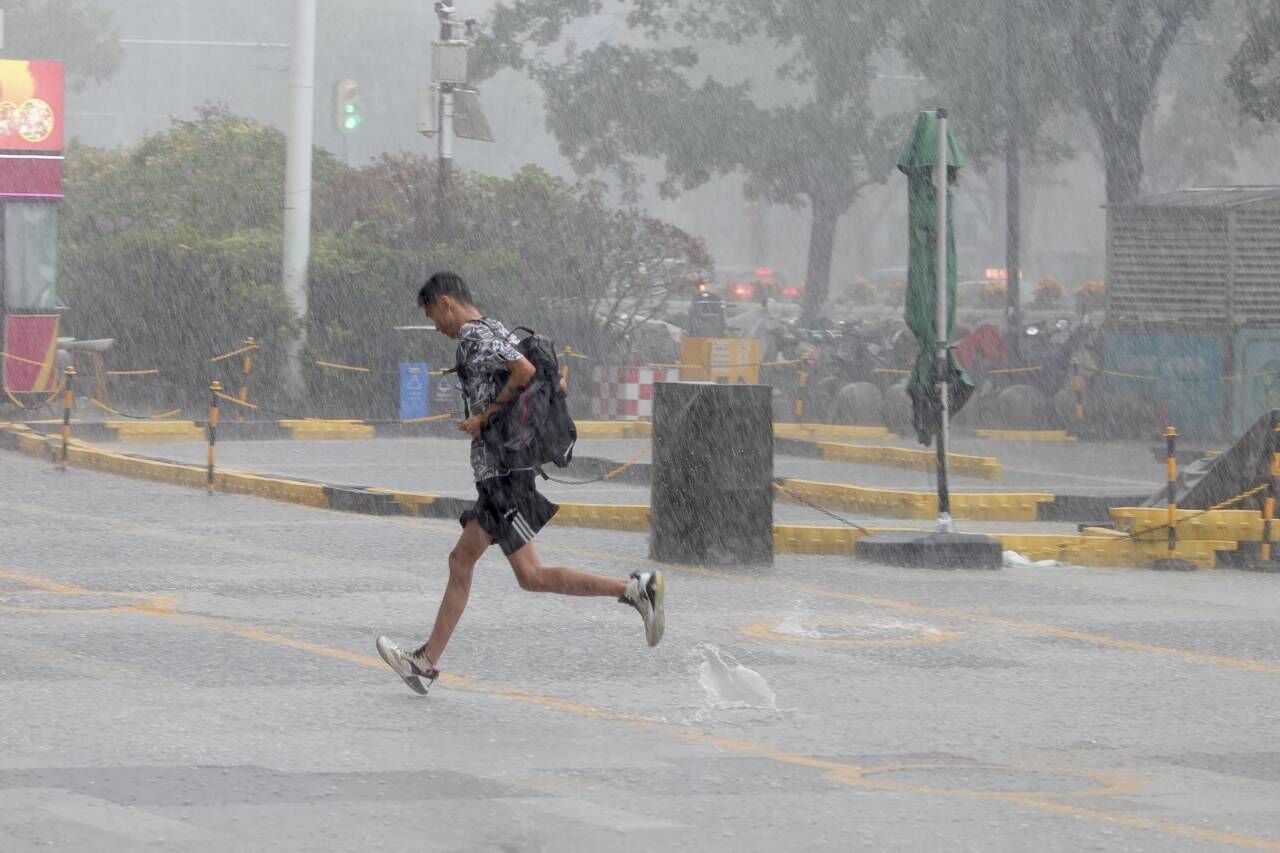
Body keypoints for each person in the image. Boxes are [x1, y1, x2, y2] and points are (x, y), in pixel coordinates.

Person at [375, 271, 666, 695]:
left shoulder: (474, 336)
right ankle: (425, 662)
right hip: (503, 475)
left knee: (521, 573)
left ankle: (635, 589)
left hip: (504, 476)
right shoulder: (493, 328)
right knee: (494, 569)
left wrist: (485, 417)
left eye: (434, 316)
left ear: (445, 302)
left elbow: (525, 370)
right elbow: (545, 376)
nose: (437, 327)